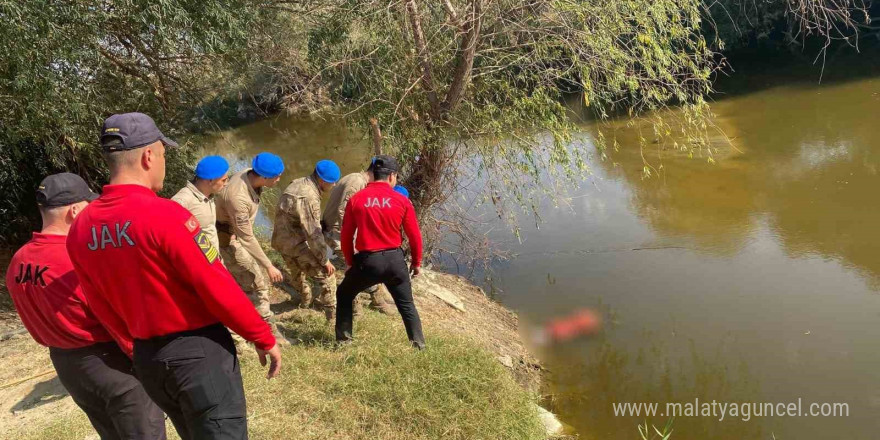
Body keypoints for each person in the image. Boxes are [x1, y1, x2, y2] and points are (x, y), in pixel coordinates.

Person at [66, 113, 281, 440]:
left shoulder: (81, 228)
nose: (164, 163)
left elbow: (99, 303)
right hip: (198, 356)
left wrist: (134, 349)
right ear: (148, 156)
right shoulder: (166, 215)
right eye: (164, 154)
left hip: (149, 359)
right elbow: (216, 285)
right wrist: (262, 336)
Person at [6, 173, 166, 440]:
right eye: (89, 205)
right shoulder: (77, 256)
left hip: (67, 367)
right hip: (110, 365)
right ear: (74, 210)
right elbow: (117, 318)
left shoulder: (19, 261)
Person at [336, 155, 426, 349]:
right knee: (406, 305)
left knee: (344, 294)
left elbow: (346, 236)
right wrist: (416, 263)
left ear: (373, 174)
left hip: (368, 262)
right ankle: (419, 346)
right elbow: (415, 236)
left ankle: (344, 342)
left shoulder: (356, 199)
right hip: (395, 261)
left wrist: (350, 262)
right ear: (392, 176)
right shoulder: (401, 201)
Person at [215, 152, 285, 338]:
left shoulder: (249, 173)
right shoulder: (238, 198)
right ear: (263, 177)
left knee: (241, 284)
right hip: (228, 241)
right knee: (257, 284)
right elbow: (246, 238)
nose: (279, 179)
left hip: (235, 236)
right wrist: (269, 265)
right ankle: (265, 333)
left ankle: (245, 325)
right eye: (276, 177)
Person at [321, 162, 394, 315]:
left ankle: (376, 297)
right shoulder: (356, 182)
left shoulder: (358, 180)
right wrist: (352, 242)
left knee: (366, 260)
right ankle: (358, 306)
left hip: (340, 231)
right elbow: (343, 212)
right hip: (335, 232)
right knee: (357, 265)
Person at [271, 160, 340, 320]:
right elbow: (313, 234)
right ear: (322, 180)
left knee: (296, 274)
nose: (335, 185)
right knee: (327, 277)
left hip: (281, 240)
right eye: (332, 182)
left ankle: (304, 300)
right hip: (295, 244)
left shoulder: (297, 182)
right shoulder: (309, 196)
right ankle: (333, 318)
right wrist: (325, 260)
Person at [171, 155, 229, 252]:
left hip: (212, 259)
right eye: (223, 180)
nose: (226, 183)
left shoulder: (208, 196)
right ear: (210, 180)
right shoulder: (183, 201)